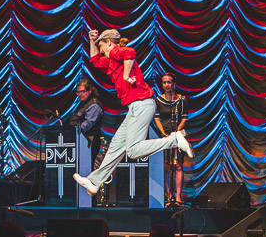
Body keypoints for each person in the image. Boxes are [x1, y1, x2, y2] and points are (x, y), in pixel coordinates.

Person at [73, 29, 193, 196]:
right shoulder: (112, 60)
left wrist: (126, 75)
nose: (101, 52)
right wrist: (92, 41)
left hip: (142, 104)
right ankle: (94, 182)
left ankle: (174, 139)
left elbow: (130, 51)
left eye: (101, 47)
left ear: (109, 43)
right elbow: (94, 60)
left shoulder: (115, 52)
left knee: (133, 151)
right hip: (135, 106)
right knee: (115, 146)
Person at [153, 72, 188, 205]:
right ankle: (168, 196)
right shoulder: (158, 100)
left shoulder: (181, 100)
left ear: (173, 83)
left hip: (178, 134)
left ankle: (178, 196)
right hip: (165, 135)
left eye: (169, 82)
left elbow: (184, 118)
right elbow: (156, 118)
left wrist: (177, 132)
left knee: (178, 165)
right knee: (166, 166)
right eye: (164, 82)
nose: (166, 85)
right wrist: (163, 133)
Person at [68, 77, 104, 159]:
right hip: (81, 140)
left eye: (82, 91)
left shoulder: (94, 105)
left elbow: (88, 124)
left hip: (89, 141)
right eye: (78, 92)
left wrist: (72, 132)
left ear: (89, 91)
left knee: (86, 167)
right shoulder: (83, 103)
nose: (79, 94)